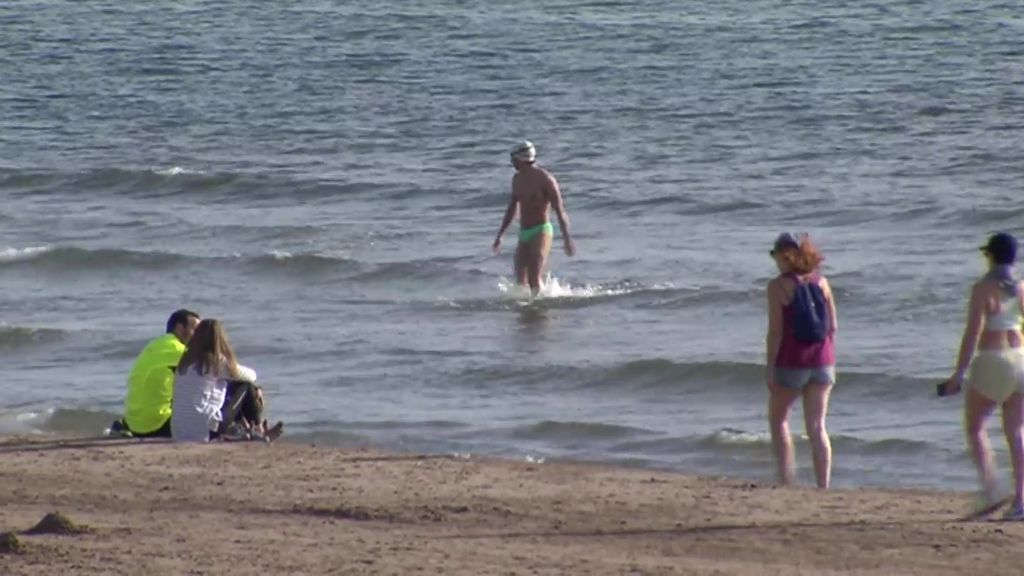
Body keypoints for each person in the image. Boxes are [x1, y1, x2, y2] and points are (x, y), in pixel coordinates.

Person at [945, 232, 1024, 519]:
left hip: (994, 359)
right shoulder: (1021, 287)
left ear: (990, 256)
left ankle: (992, 488)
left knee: (975, 425)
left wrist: (959, 373)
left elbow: (973, 332)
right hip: (1021, 360)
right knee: (1016, 431)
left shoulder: (983, 288)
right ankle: (1021, 501)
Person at [764, 232, 837, 489]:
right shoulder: (822, 283)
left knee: (779, 420)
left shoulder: (778, 287)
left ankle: (786, 480)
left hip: (792, 361)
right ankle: (823, 485)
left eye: (775, 255)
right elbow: (833, 327)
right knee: (818, 426)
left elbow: (776, 332)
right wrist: (828, 358)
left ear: (784, 256)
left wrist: (770, 367)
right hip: (823, 361)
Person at [171, 318, 282, 443]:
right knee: (246, 386)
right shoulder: (215, 361)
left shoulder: (185, 362)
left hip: (178, 430)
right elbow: (251, 376)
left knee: (227, 385)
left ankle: (245, 429)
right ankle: (258, 429)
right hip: (205, 430)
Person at [492, 140, 576, 296]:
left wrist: (567, 239)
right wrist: (500, 235)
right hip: (524, 232)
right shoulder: (517, 179)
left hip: (541, 231)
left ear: (521, 159)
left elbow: (560, 210)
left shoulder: (545, 179)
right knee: (520, 278)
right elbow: (511, 209)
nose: (512, 163)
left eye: (513, 159)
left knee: (533, 275)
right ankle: (526, 311)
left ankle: (539, 310)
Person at [119, 309, 201, 437]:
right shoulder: (176, 348)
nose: (198, 336)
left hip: (133, 423)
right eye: (195, 330)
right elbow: (220, 370)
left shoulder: (154, 346)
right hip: (157, 424)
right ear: (180, 328)